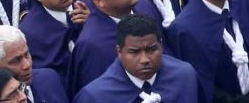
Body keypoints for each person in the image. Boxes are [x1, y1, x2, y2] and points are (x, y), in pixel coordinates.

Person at [70, 14, 199, 103]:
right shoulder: (95, 97)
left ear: (161, 45)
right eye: (134, 52)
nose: (144, 59)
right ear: (119, 52)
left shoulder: (185, 76)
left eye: (152, 49)